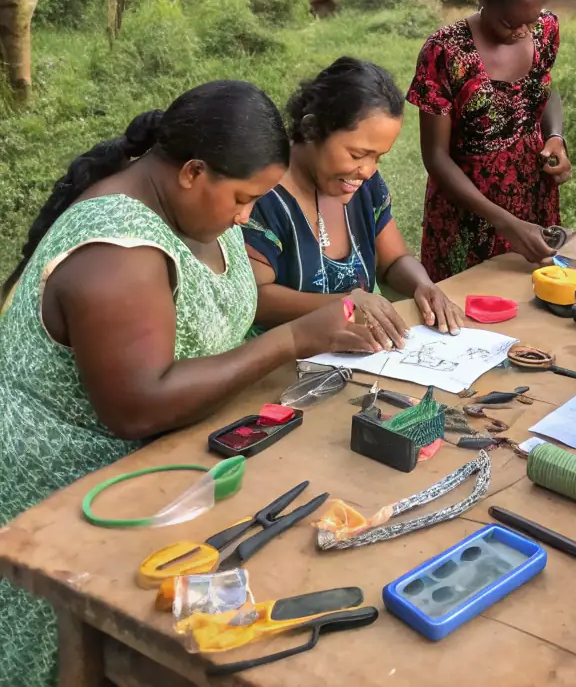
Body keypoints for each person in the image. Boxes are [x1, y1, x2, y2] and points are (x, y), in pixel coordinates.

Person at [0, 81, 370, 687]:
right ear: (194, 171)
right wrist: (294, 339)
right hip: (69, 492)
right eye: (245, 199)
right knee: (93, 651)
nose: (248, 215)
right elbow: (137, 406)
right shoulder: (115, 253)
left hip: (165, 464)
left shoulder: (195, 206)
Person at [244, 57, 463, 342]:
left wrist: (422, 285)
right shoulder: (260, 198)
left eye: (378, 157)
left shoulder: (365, 188)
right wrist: (346, 304)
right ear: (311, 130)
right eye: (358, 155)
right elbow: (256, 300)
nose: (368, 170)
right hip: (279, 367)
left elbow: (393, 260)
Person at [408, 0, 571, 280]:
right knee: (467, 316)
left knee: (536, 306)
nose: (523, 31)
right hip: (467, 214)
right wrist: (505, 223)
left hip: (533, 199)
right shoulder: (446, 53)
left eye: (531, 19)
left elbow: (542, 92)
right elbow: (436, 158)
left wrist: (554, 137)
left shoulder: (546, 29)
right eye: (510, 22)